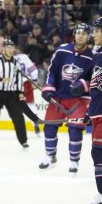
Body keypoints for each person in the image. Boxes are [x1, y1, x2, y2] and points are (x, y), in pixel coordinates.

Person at [39, 23, 93, 174]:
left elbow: (95, 79)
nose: (80, 35)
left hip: (79, 100)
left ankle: (74, 161)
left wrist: (83, 85)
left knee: (75, 130)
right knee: (49, 128)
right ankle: (50, 156)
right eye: (78, 32)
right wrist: (49, 88)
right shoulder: (62, 50)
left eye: (84, 33)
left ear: (88, 36)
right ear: (74, 34)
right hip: (59, 97)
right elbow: (52, 71)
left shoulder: (92, 56)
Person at [0, 39, 29, 148]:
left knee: (18, 117)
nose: (11, 50)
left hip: (11, 94)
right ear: (4, 49)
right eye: (9, 47)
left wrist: (20, 92)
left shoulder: (16, 63)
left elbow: (18, 79)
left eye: (13, 47)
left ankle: (24, 141)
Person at [88, 17, 102, 204]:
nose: (94, 34)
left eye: (97, 30)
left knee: (98, 152)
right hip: (97, 111)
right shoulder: (98, 55)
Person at [14, 45, 41, 135]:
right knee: (30, 104)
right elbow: (34, 70)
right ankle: (35, 122)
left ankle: (20, 128)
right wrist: (35, 81)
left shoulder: (9, 58)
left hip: (15, 85)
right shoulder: (24, 57)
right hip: (26, 83)